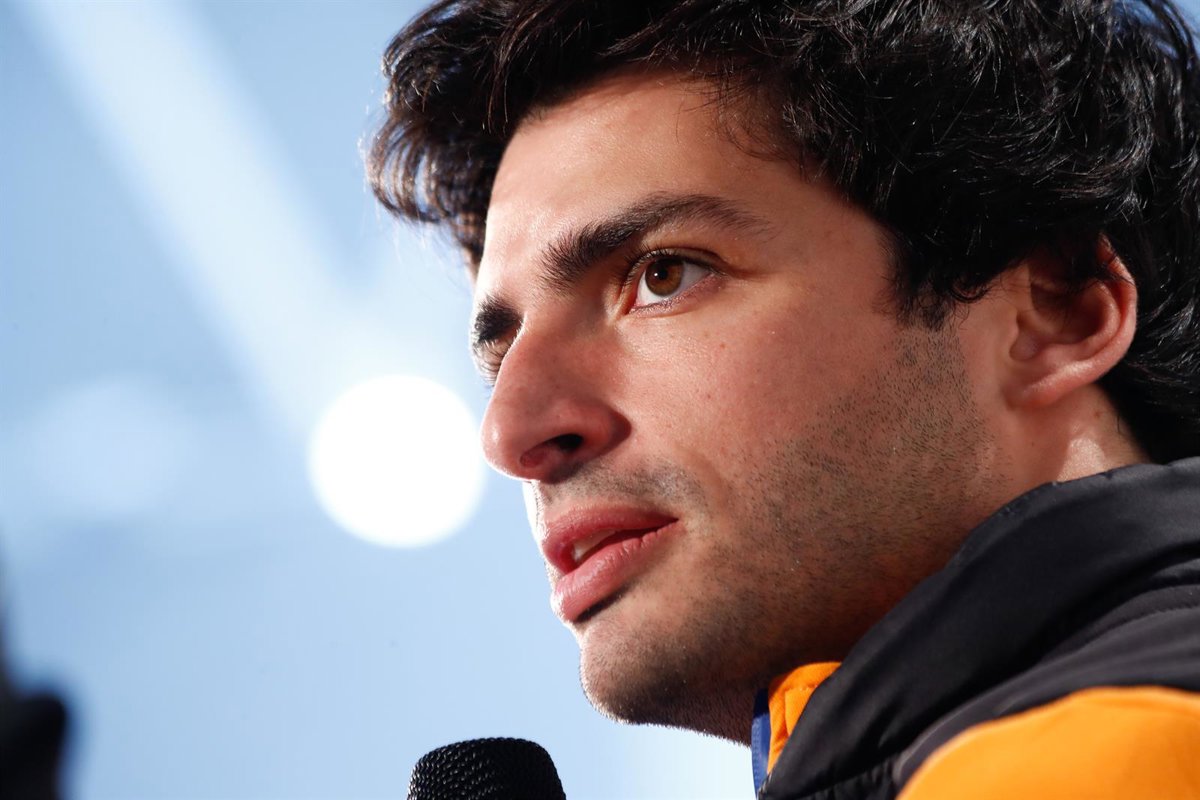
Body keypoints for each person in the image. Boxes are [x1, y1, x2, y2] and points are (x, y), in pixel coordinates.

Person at [367, 1, 1200, 797]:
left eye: (663, 276)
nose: (510, 432)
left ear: (1056, 314)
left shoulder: (1117, 757)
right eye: (501, 358)